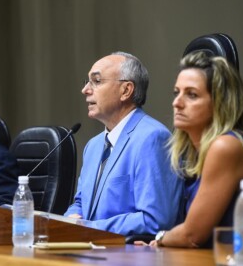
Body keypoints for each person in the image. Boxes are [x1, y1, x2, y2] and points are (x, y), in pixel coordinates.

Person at [137, 52, 243, 248]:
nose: (177, 103)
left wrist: (159, 239)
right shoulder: (192, 153)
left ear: (220, 103)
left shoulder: (226, 146)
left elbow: (192, 235)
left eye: (192, 95)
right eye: (177, 93)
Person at [64, 52, 182, 236]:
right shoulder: (93, 146)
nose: (85, 89)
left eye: (96, 81)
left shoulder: (152, 138)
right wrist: (70, 219)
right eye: (87, 82)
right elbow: (80, 203)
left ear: (126, 90)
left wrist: (89, 228)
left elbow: (155, 219)